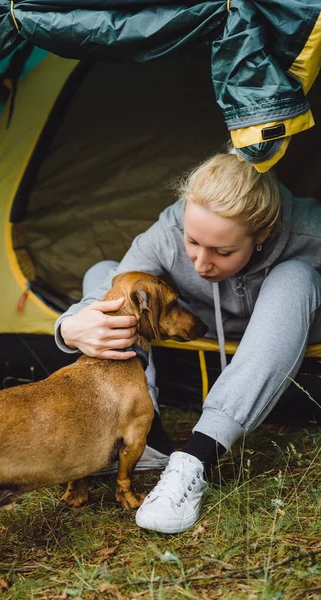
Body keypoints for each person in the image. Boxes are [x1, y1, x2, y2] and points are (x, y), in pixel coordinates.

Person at [54, 153, 321, 534]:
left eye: (222, 252)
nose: (200, 263)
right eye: (192, 241)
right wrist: (68, 327)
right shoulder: (170, 227)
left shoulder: (310, 233)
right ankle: (147, 439)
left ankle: (196, 458)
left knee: (297, 276)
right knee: (106, 275)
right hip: (201, 330)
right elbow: (112, 283)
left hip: (289, 333)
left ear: (263, 233)